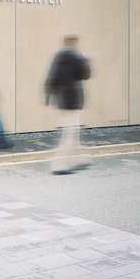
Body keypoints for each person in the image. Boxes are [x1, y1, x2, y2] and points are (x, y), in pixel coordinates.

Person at [45, 34, 92, 175]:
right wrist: (84, 58)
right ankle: (58, 165)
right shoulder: (76, 57)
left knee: (74, 128)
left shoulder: (58, 57)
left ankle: (78, 159)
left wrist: (47, 99)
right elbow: (87, 74)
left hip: (62, 100)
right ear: (74, 43)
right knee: (70, 132)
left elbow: (51, 78)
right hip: (74, 99)